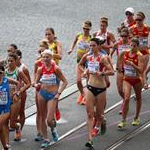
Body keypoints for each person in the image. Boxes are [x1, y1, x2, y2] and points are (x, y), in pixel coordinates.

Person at [78, 38, 114, 148]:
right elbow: (80, 65)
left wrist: (102, 73)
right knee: (89, 114)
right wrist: (84, 71)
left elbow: (112, 71)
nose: (91, 48)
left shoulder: (103, 58)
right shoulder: (87, 57)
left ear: (98, 46)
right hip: (90, 87)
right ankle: (90, 139)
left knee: (99, 114)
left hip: (101, 89)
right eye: (90, 46)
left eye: (93, 46)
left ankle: (102, 120)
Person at [33, 50, 68, 148]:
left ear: (51, 58)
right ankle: (46, 139)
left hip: (52, 95)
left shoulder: (56, 69)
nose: (45, 59)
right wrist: (36, 85)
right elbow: (35, 82)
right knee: (42, 117)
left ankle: (53, 129)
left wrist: (59, 93)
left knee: (49, 120)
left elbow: (65, 82)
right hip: (42, 94)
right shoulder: (40, 69)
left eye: (47, 57)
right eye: (43, 57)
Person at [117, 37, 144, 129]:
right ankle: (123, 120)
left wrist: (132, 64)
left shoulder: (140, 56)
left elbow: (141, 70)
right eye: (131, 45)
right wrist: (119, 68)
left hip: (137, 79)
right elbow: (119, 58)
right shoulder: (125, 53)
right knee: (127, 98)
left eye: (134, 46)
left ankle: (136, 117)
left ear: (137, 47)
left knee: (138, 97)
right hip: (127, 79)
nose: (132, 47)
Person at [5, 53, 30, 141]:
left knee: (12, 124)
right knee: (4, 123)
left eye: (11, 61)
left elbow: (28, 83)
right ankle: (6, 144)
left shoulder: (18, 71)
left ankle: (17, 127)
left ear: (16, 61)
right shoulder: (4, 71)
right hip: (5, 100)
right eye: (8, 61)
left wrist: (19, 92)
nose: (9, 62)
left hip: (15, 100)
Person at [68, 21, 92, 105]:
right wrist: (71, 49)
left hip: (88, 62)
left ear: (90, 29)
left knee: (88, 81)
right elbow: (74, 42)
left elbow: (93, 48)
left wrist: (89, 51)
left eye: (87, 28)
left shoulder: (91, 38)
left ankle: (87, 97)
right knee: (78, 81)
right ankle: (83, 94)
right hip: (79, 61)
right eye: (84, 28)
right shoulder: (79, 35)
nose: (85, 30)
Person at [44, 27, 62, 120]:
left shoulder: (56, 43)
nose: (47, 36)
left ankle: (56, 108)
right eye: (46, 34)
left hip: (55, 71)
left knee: (54, 93)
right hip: (45, 71)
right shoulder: (44, 43)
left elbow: (60, 56)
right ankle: (48, 110)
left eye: (49, 34)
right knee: (46, 91)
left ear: (53, 35)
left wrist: (50, 54)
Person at [111, 28, 131, 114]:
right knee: (119, 89)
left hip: (129, 69)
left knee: (126, 89)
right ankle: (125, 100)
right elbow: (110, 53)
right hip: (120, 68)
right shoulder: (117, 44)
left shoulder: (131, 44)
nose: (123, 38)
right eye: (122, 36)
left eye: (125, 36)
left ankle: (124, 103)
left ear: (128, 36)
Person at [0, 65, 19, 150]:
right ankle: (5, 146)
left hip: (6, 108)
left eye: (0, 72)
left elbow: (17, 83)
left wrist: (16, 93)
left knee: (3, 124)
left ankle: (6, 144)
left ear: (3, 73)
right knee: (1, 127)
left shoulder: (6, 80)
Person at [16, 50, 31, 130]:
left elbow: (29, 83)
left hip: (21, 93)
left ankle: (19, 131)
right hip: (11, 93)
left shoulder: (24, 68)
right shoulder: (8, 67)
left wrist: (21, 90)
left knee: (21, 112)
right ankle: (14, 125)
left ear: (19, 57)